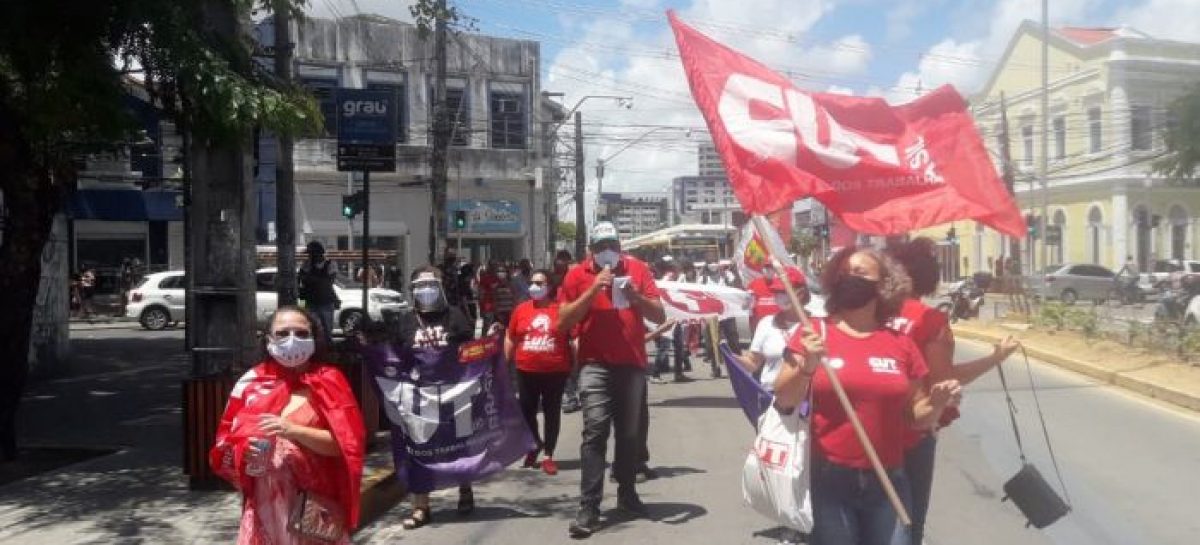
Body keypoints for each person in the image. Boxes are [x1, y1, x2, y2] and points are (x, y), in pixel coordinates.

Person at [773, 247, 961, 545]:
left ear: (883, 284)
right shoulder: (813, 334)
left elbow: (915, 419)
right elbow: (784, 399)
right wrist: (807, 367)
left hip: (888, 481)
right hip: (829, 481)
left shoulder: (900, 344)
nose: (851, 278)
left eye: (860, 273)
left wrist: (937, 404)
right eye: (844, 273)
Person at [887, 238, 1021, 545]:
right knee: (908, 518)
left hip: (870, 426)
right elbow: (944, 381)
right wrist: (994, 358)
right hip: (914, 428)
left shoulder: (872, 315)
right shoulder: (930, 320)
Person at [210, 306, 366, 545]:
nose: (292, 340)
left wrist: (291, 431)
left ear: (315, 338)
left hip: (313, 510)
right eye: (282, 333)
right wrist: (244, 453)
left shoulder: (330, 381)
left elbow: (346, 447)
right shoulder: (251, 383)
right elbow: (226, 443)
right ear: (268, 338)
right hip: (265, 510)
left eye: (302, 334)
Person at [557, 221, 665, 538]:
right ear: (591, 249)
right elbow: (563, 321)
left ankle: (627, 493)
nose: (609, 252)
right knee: (595, 430)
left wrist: (635, 296)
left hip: (631, 363)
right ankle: (589, 506)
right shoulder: (577, 275)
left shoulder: (639, 269)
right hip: (594, 365)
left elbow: (659, 315)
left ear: (621, 247)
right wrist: (594, 289)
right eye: (602, 246)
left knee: (629, 433)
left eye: (614, 246)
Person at [388, 266, 478, 529]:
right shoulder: (405, 321)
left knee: (460, 443)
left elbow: (469, 350)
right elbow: (395, 355)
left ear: (440, 287)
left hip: (456, 391)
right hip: (419, 395)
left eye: (431, 284)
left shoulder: (456, 316)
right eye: (420, 285)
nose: (426, 290)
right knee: (420, 449)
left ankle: (465, 490)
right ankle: (421, 507)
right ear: (412, 290)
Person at [505, 270, 572, 476]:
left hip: (555, 371)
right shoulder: (521, 310)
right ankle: (534, 443)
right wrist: (503, 363)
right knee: (526, 411)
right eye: (532, 282)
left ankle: (548, 455)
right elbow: (511, 337)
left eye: (539, 283)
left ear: (549, 287)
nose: (534, 286)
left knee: (552, 413)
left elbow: (573, 337)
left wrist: (577, 365)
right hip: (526, 369)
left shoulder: (561, 310)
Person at [738, 266, 809, 393]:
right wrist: (732, 358)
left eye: (784, 292)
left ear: (801, 293)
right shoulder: (766, 323)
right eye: (776, 292)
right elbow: (753, 363)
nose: (779, 296)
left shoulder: (816, 326)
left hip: (805, 397)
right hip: (770, 395)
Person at [299, 241, 340, 342]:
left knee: (327, 331)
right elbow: (301, 280)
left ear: (318, 253)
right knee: (311, 330)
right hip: (310, 302)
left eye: (311, 253)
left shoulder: (330, 264)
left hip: (326, 302)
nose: (309, 256)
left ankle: (327, 352)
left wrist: (311, 279)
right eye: (309, 254)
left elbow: (328, 283)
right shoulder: (306, 264)